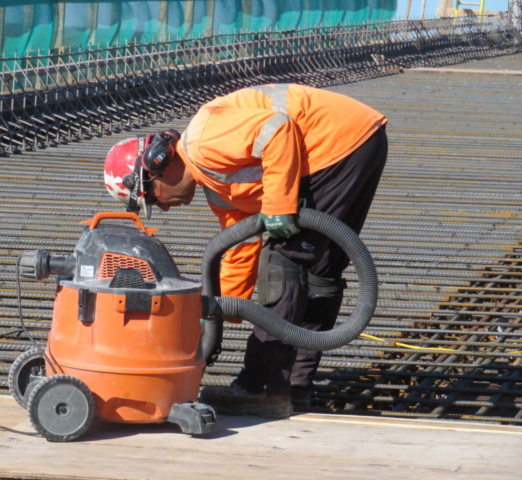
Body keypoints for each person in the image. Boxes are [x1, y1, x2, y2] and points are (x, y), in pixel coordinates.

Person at [103, 83, 388, 418]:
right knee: (319, 269)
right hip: (358, 143)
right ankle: (295, 386)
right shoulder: (218, 189)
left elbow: (277, 129)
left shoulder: (204, 141)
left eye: (152, 199)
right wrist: (218, 312)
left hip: (333, 144)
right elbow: (241, 248)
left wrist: (280, 204)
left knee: (283, 262)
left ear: (158, 165)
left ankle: (263, 387)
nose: (162, 209)